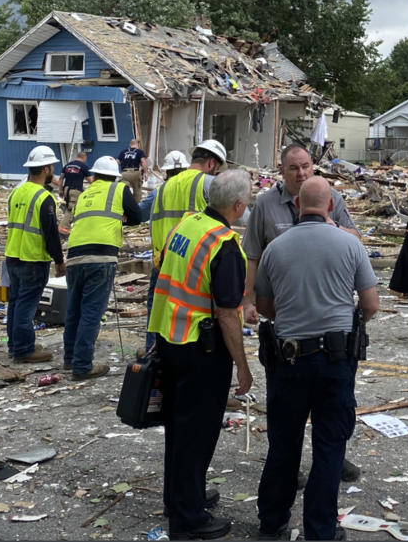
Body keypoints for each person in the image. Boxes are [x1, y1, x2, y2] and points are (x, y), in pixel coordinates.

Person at [254, 176, 378, 542]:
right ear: (331, 206)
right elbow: (370, 305)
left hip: (288, 358)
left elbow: (264, 307)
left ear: (297, 206)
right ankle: (320, 530)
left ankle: (272, 521)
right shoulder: (350, 245)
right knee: (329, 444)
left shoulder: (276, 248)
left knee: (284, 441)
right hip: (335, 360)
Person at [148, 170, 253, 541]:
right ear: (238, 206)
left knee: (178, 427)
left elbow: (162, 272)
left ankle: (181, 495)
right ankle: (188, 518)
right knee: (197, 432)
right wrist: (243, 366)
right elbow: (227, 313)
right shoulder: (224, 244)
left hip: (170, 337)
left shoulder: (188, 224)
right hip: (201, 349)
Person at [241, 143, 358, 325]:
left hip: (328, 304)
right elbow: (251, 256)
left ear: (313, 165)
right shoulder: (265, 204)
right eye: (294, 168)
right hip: (282, 305)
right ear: (282, 170)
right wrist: (248, 303)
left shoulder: (332, 198)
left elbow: (356, 239)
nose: (301, 174)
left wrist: (333, 226)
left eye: (305, 166)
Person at [63, 155, 141, 380]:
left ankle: (70, 359)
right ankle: (82, 366)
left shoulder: (86, 193)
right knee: (91, 313)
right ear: (115, 176)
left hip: (75, 256)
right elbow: (136, 216)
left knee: (74, 311)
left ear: (94, 175)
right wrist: (123, 217)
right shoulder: (119, 190)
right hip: (101, 257)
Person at [146, 140, 228, 351]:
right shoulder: (208, 183)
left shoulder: (163, 188)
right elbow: (240, 214)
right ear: (211, 163)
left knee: (158, 320)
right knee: (194, 324)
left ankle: (154, 369)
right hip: (192, 266)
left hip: (162, 263)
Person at [4, 145, 65, 363]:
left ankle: (15, 344)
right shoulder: (43, 197)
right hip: (33, 258)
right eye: (52, 168)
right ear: (46, 168)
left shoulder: (16, 192)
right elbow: (50, 234)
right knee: (26, 307)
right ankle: (23, 350)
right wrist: (59, 260)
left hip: (13, 256)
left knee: (15, 303)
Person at [140, 149, 189, 223]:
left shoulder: (158, 192)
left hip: (164, 234)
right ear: (186, 169)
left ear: (167, 172)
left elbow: (140, 214)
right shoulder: (196, 189)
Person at [59, 151, 89, 222]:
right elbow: (90, 180)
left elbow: (61, 178)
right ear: (84, 157)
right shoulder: (83, 166)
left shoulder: (67, 165)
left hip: (66, 190)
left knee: (67, 207)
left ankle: (67, 223)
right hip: (75, 190)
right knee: (72, 210)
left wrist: (60, 190)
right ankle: (66, 227)